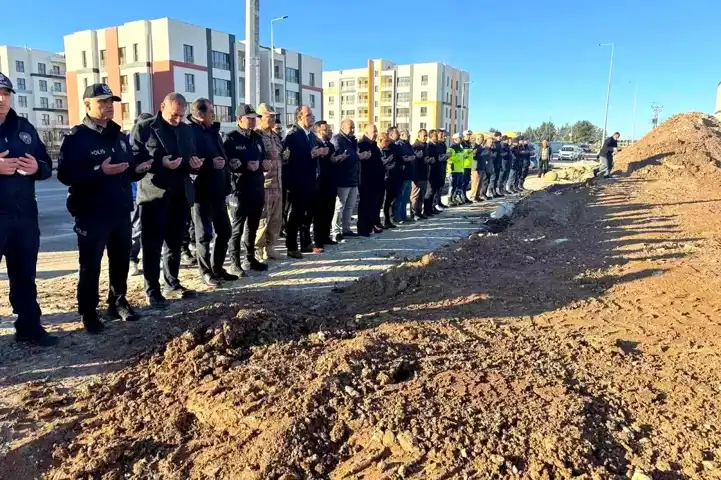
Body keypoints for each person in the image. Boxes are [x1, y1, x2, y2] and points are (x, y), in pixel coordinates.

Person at [58, 83, 153, 333]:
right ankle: (88, 312)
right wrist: (99, 171)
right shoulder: (76, 138)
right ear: (88, 105)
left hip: (120, 210)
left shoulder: (118, 135)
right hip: (91, 213)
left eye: (111, 102)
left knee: (120, 260)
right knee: (91, 264)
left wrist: (138, 169)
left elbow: (128, 170)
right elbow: (66, 175)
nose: (109, 106)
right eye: (102, 102)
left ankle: (118, 301)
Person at [131, 92, 202, 308]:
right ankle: (152, 290)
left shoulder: (186, 130)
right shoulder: (145, 128)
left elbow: (190, 156)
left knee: (174, 243)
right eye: (174, 115)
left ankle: (172, 282)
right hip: (154, 194)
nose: (178, 119)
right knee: (152, 245)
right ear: (162, 106)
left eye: (181, 115)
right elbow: (134, 159)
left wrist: (194, 164)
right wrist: (159, 162)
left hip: (180, 194)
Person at [0, 72, 55, 346]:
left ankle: (29, 327)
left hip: (24, 215)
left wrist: (37, 168)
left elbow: (46, 164)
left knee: (25, 274)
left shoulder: (24, 127)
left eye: (6, 93)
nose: (1, 98)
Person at [187, 98, 239, 286]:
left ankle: (217, 267)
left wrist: (228, 164)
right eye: (211, 112)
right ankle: (206, 272)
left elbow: (221, 154)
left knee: (225, 231)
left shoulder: (213, 131)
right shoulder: (190, 132)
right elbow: (189, 159)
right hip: (201, 190)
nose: (213, 115)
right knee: (204, 235)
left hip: (219, 189)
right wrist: (210, 163)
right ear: (200, 114)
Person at [224, 104, 268, 273]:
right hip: (239, 189)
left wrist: (265, 163)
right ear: (239, 119)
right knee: (237, 228)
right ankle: (234, 262)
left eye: (253, 119)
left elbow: (262, 156)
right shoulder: (231, 138)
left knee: (253, 226)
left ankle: (250, 258)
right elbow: (227, 163)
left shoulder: (256, 138)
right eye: (248, 118)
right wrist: (243, 166)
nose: (252, 122)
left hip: (257, 187)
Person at [282, 105, 322, 257]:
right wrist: (310, 155)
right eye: (308, 115)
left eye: (312, 115)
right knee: (296, 214)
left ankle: (305, 242)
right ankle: (291, 246)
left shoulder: (311, 136)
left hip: (311, 179)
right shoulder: (293, 135)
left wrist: (319, 152)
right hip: (297, 181)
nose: (311, 118)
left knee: (308, 214)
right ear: (299, 117)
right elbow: (287, 158)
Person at [255, 103, 284, 260]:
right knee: (263, 219)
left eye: (274, 116)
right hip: (265, 184)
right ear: (260, 117)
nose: (273, 119)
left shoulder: (274, 136)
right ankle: (257, 249)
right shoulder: (257, 136)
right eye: (269, 116)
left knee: (275, 219)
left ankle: (270, 246)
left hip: (278, 183)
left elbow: (279, 155)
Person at [129, 112, 154, 276]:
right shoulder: (131, 142)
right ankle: (132, 259)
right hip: (135, 194)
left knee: (150, 229)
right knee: (136, 229)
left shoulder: (153, 142)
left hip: (151, 194)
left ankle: (149, 259)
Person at [313, 120, 340, 251]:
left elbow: (332, 159)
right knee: (319, 211)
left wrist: (337, 158)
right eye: (325, 129)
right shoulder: (314, 142)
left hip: (331, 180)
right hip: (319, 181)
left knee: (329, 209)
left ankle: (325, 235)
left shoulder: (330, 144)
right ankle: (317, 239)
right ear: (318, 130)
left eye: (328, 129)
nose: (328, 131)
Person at [330, 118, 358, 241]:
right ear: (342, 127)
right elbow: (336, 156)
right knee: (339, 206)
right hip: (342, 177)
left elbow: (354, 155)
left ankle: (346, 228)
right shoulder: (337, 139)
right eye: (350, 127)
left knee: (350, 205)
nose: (352, 130)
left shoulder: (352, 140)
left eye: (353, 127)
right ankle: (336, 231)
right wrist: (346, 157)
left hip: (353, 177)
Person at [357, 124, 384, 236]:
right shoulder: (363, 144)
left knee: (374, 204)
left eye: (377, 131)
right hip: (366, 180)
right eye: (374, 131)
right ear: (366, 132)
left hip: (377, 180)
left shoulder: (374, 145)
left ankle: (371, 225)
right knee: (365, 204)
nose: (376, 134)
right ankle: (363, 228)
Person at [394, 129, 416, 223]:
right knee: (400, 197)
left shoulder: (408, 145)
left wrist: (412, 157)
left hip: (409, 174)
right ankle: (398, 216)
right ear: (402, 135)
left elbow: (413, 154)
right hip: (403, 174)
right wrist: (407, 158)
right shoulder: (399, 145)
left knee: (406, 197)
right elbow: (401, 157)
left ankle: (403, 215)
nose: (408, 136)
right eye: (407, 135)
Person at [378, 131, 399, 228]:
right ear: (380, 141)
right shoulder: (377, 150)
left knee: (389, 200)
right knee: (380, 201)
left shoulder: (389, 150)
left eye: (388, 142)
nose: (388, 144)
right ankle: (378, 222)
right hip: (380, 179)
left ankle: (387, 220)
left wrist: (389, 165)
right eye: (386, 141)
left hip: (390, 178)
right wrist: (386, 162)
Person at [411, 129, 429, 220]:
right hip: (417, 174)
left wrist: (427, 160)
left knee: (422, 194)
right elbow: (413, 160)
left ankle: (419, 211)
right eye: (424, 135)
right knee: (416, 195)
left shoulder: (425, 146)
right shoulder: (415, 146)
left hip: (424, 173)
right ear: (419, 136)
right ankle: (414, 213)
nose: (426, 137)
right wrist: (419, 158)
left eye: (426, 136)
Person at [423, 129, 441, 216]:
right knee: (429, 192)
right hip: (431, 171)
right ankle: (426, 210)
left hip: (436, 170)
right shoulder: (429, 146)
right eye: (435, 136)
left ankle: (431, 208)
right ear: (431, 137)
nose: (437, 137)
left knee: (434, 191)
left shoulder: (436, 145)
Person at [447, 133, 465, 206]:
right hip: (453, 170)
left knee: (459, 185)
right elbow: (449, 158)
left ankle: (455, 198)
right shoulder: (451, 148)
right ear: (454, 139)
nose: (460, 139)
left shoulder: (460, 148)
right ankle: (449, 199)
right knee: (452, 185)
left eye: (461, 138)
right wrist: (458, 158)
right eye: (459, 138)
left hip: (460, 169)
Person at [434, 130, 450, 211]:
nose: (444, 137)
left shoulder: (443, 144)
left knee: (441, 186)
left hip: (443, 167)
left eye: (445, 135)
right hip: (438, 168)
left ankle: (439, 202)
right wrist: (447, 156)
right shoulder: (437, 144)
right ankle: (435, 203)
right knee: (437, 187)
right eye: (442, 135)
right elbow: (439, 157)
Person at [470, 133, 486, 201]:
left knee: (479, 182)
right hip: (475, 166)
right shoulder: (474, 146)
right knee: (475, 182)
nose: (481, 140)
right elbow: (472, 155)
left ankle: (477, 195)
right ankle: (473, 196)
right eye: (480, 138)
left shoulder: (481, 146)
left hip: (481, 166)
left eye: (482, 138)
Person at [460, 130, 475, 203]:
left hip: (468, 165)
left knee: (466, 182)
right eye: (468, 135)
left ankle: (464, 196)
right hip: (463, 166)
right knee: (462, 182)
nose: (469, 136)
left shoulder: (469, 144)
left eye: (470, 135)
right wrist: (470, 152)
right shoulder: (461, 144)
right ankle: (461, 197)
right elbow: (461, 155)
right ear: (464, 135)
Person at [490, 131, 504, 197]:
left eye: (500, 136)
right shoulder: (493, 143)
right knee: (493, 177)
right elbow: (491, 152)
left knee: (496, 177)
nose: (500, 137)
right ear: (495, 137)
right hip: (493, 163)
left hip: (498, 162)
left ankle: (495, 191)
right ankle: (491, 191)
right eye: (499, 136)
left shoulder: (499, 144)